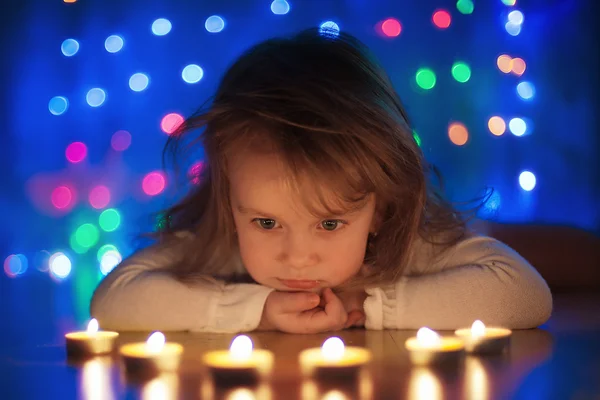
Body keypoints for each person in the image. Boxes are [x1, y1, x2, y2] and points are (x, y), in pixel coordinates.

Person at [90, 28, 552, 334]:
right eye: (267, 223)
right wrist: (257, 311)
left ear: (380, 209)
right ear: (231, 200)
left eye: (329, 224)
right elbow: (112, 299)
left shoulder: (411, 243)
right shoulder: (220, 240)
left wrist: (370, 302)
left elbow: (526, 294)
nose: (296, 256)